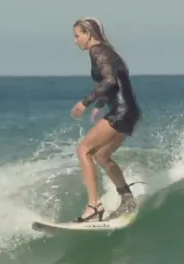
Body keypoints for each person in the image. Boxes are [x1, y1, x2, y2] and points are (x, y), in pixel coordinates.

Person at [70, 16, 142, 223]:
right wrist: (101, 104)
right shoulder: (108, 52)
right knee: (102, 155)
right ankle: (127, 198)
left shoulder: (98, 51)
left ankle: (94, 205)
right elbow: (115, 80)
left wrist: (86, 102)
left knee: (84, 150)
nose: (75, 41)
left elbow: (110, 80)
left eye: (77, 36)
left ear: (88, 34)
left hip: (121, 110)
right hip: (130, 111)